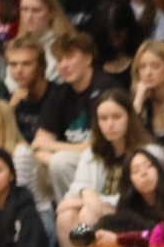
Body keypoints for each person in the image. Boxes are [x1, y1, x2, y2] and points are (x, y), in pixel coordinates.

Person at [54, 88, 164, 247]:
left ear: (129, 117)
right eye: (103, 119)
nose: (109, 124)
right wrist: (87, 195)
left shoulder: (149, 150)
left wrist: (93, 200)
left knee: (88, 212)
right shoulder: (92, 152)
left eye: (116, 117)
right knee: (67, 215)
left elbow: (138, 195)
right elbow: (73, 193)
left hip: (136, 215)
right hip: (100, 211)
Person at [32, 29, 114, 211]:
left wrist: (53, 148)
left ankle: (77, 211)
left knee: (59, 162)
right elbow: (38, 143)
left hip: (105, 159)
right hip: (72, 158)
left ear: (88, 58)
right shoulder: (61, 92)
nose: (63, 65)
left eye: (69, 57)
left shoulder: (106, 88)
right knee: (34, 159)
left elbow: (97, 145)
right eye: (60, 60)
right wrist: (49, 153)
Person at [0, 99, 47, 225]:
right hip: (1, 215)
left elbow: (12, 195)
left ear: (3, 124)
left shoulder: (20, 152)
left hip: (34, 220)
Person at [6, 36, 58, 143]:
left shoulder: (58, 95)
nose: (19, 70)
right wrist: (11, 107)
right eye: (13, 64)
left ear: (41, 66)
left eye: (26, 64)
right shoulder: (11, 99)